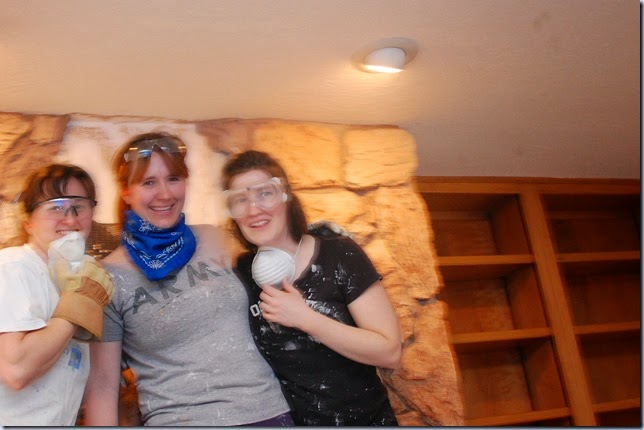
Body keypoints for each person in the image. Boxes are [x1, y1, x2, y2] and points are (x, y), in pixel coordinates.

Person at [82, 133, 292, 426]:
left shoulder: (215, 238)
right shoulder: (106, 277)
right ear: (127, 192)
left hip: (267, 413)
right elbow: (103, 386)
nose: (165, 194)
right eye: (149, 182)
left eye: (173, 179)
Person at [221, 150, 402, 426]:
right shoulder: (243, 273)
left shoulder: (338, 254)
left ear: (286, 195)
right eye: (240, 200)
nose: (253, 209)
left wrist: (306, 319)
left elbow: (389, 352)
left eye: (265, 193)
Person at [0, 163, 113, 426]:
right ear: (28, 221)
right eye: (56, 207)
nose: (71, 220)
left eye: (79, 206)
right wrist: (79, 304)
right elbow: (16, 370)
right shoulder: (13, 267)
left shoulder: (75, 278)